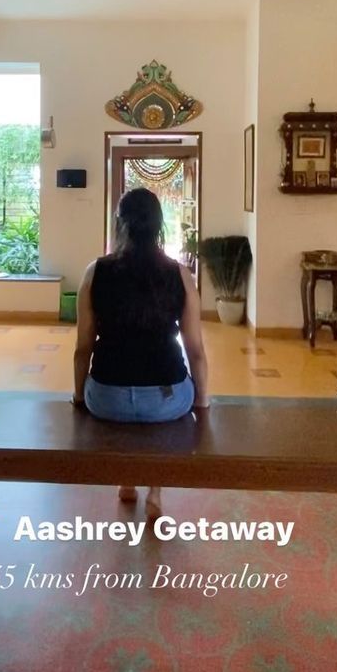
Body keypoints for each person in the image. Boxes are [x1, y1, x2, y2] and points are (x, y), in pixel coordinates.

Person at [72, 187, 209, 521]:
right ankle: (156, 493)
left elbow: (82, 349)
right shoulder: (179, 274)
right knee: (157, 411)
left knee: (125, 405)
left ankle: (127, 481)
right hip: (168, 397)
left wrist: (80, 396)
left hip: (106, 396)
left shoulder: (96, 271)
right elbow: (195, 351)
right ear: (159, 225)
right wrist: (201, 403)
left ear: (120, 224)